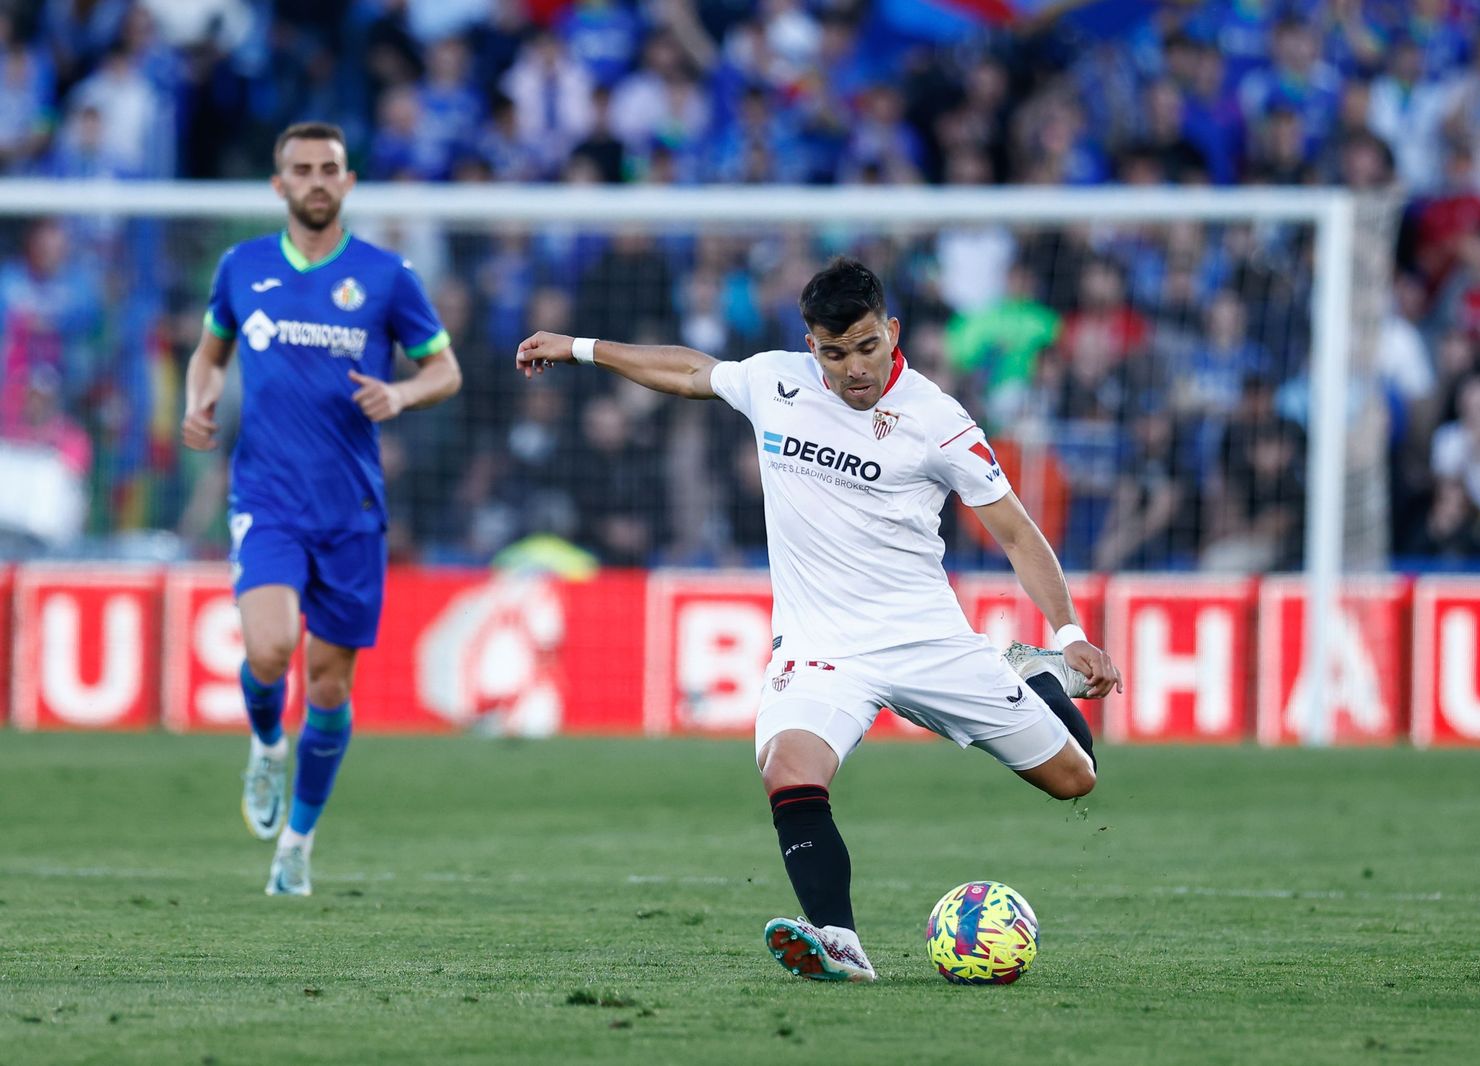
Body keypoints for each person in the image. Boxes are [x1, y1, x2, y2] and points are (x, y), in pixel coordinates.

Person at [515, 257, 1118, 982]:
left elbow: (1016, 532)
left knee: (1074, 778)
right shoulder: (777, 382)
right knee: (789, 767)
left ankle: (1035, 676)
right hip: (821, 648)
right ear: (812, 347)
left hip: (926, 640)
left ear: (892, 333)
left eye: (867, 346)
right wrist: (581, 348)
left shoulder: (939, 422)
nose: (855, 368)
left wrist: (1069, 635)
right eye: (835, 353)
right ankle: (839, 940)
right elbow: (689, 371)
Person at [181, 122, 462, 896]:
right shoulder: (241, 266)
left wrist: (401, 393)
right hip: (267, 497)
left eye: (328, 168)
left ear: (347, 182)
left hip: (352, 507)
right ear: (279, 184)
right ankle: (267, 744)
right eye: (301, 169)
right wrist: (199, 401)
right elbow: (210, 353)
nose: (315, 180)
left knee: (331, 688)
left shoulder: (386, 276)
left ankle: (297, 845)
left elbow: (445, 370)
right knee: (271, 650)